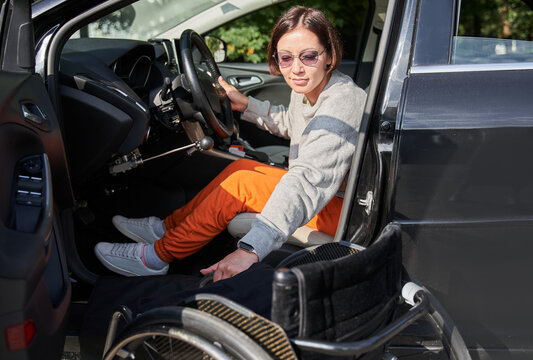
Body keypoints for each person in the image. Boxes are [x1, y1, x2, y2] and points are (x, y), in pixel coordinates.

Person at [94, 6, 367, 282]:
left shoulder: (342, 102)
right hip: (329, 197)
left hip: (345, 211)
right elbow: (293, 123)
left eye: (309, 56)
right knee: (240, 169)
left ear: (329, 55)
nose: (296, 68)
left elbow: (307, 183)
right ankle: (166, 228)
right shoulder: (310, 87)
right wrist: (245, 104)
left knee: (241, 186)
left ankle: (156, 257)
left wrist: (250, 249)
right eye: (286, 58)